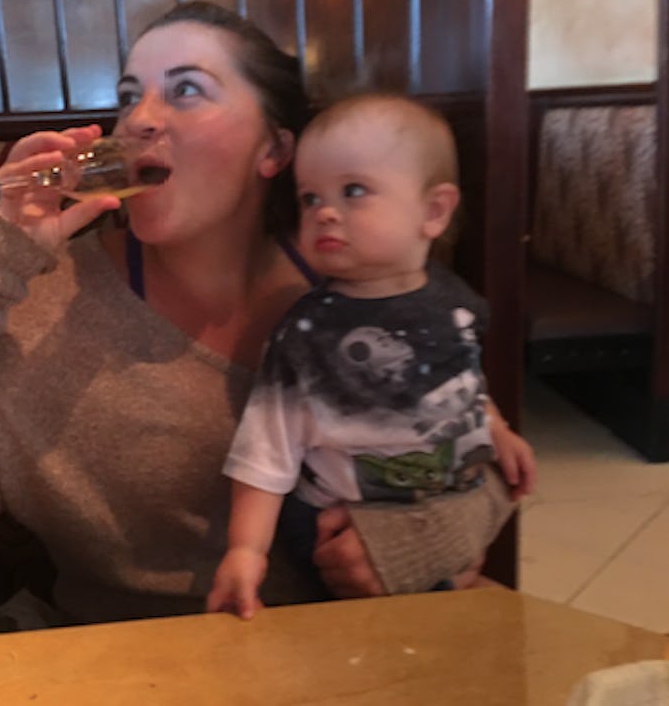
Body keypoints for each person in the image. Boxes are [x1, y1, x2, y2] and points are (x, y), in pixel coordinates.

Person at [0, 3, 512, 628]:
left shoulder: (363, 282)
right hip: (130, 662)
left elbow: (483, 454)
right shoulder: (39, 313)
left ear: (274, 152)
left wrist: (424, 541)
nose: (137, 120)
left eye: (186, 90)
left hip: (346, 644)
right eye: (130, 96)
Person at [207, 92, 536, 620]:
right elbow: (266, 449)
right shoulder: (307, 330)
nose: (325, 213)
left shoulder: (456, 302)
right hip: (337, 527)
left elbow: (462, 383)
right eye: (310, 198)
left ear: (433, 211)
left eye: (353, 191)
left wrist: (495, 429)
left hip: (442, 509)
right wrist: (245, 551)